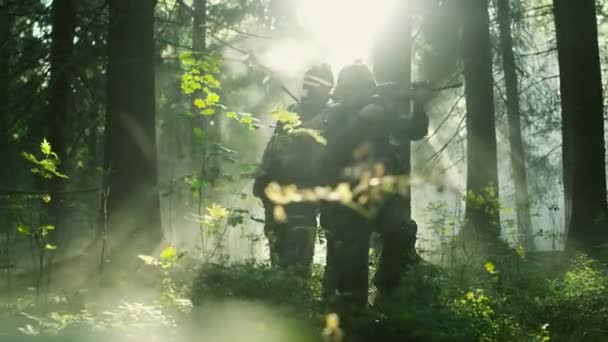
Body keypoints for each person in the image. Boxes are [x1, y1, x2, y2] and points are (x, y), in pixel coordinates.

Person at [319, 62, 429, 313]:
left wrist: (419, 103)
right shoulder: (333, 114)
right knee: (352, 251)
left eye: (364, 88)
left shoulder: (379, 111)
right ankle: (353, 307)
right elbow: (338, 147)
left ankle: (385, 292)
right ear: (343, 91)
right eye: (354, 89)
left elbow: (415, 130)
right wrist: (364, 118)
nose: (359, 94)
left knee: (402, 229)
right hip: (347, 198)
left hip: (382, 195)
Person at [253, 63, 334, 276]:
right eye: (310, 83)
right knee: (278, 244)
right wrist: (264, 176)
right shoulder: (293, 111)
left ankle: (294, 292)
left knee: (300, 249)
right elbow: (277, 145)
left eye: (316, 85)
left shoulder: (329, 112)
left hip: (305, 192)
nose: (310, 89)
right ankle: (280, 291)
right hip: (279, 187)